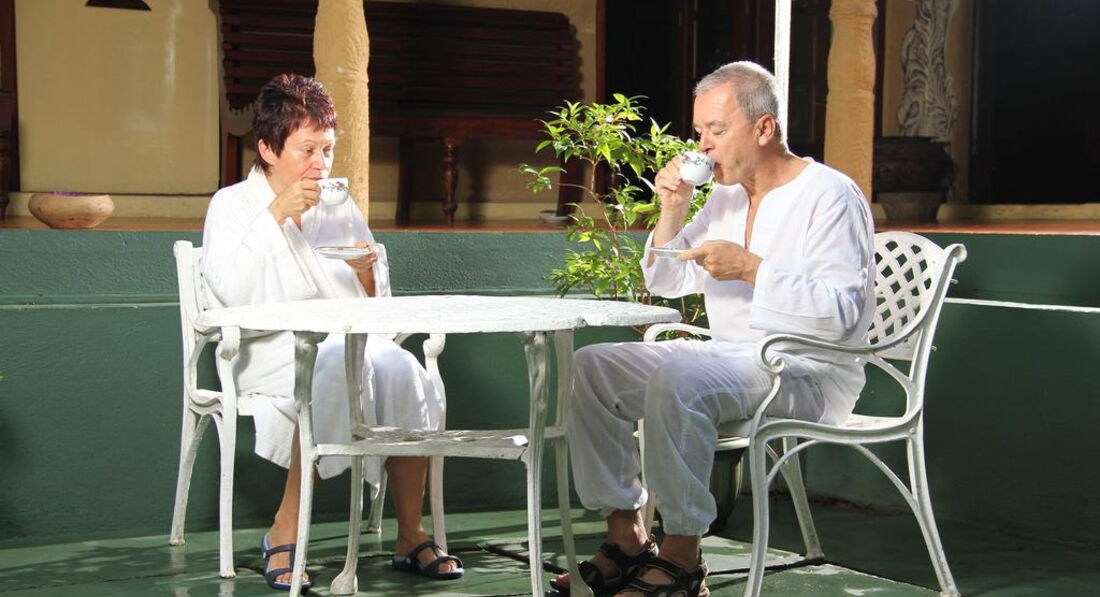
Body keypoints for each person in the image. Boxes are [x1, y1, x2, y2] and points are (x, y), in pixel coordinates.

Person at [550, 61, 875, 597]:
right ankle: (627, 539)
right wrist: (673, 209)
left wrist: (752, 269)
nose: (702, 145)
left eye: (717, 131)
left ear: (764, 128)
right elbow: (665, 280)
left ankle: (683, 558)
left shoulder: (831, 195)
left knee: (679, 381)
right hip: (727, 357)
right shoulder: (724, 195)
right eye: (699, 131)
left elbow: (843, 314)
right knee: (594, 366)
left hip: (807, 371)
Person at [201, 74, 462, 591]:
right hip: (268, 349)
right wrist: (275, 216)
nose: (321, 163)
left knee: (404, 369)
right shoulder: (231, 205)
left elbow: (377, 303)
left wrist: (367, 273)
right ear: (268, 148)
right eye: (307, 150)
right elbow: (229, 294)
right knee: (337, 363)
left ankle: (410, 532)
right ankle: (285, 527)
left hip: (348, 340)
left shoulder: (338, 204)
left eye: (328, 149)